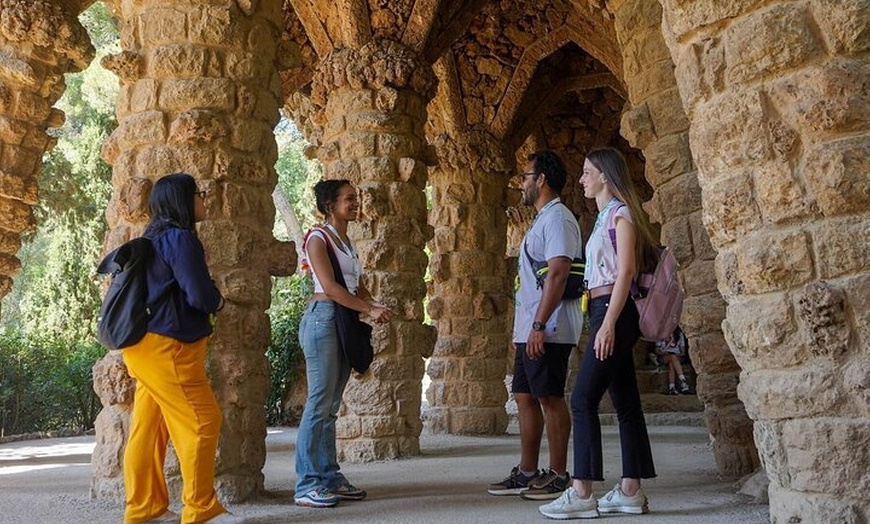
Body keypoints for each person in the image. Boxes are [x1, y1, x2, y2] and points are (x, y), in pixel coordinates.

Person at [540, 147, 657, 519]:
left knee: (582, 398)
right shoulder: (606, 215)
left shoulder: (621, 215)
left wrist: (607, 324)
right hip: (606, 310)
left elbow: (625, 272)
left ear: (606, 175)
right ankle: (630, 491)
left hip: (614, 312)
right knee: (626, 403)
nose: (581, 179)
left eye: (587, 172)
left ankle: (582, 491)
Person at [122, 173, 235, 524]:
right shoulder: (179, 238)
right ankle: (201, 510)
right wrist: (218, 301)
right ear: (182, 201)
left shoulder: (152, 238)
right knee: (203, 420)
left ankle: (145, 510)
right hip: (168, 348)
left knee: (149, 427)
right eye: (199, 195)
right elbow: (199, 294)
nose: (205, 200)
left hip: (143, 347)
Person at [488, 151, 583, 501]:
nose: (522, 183)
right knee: (525, 395)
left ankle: (559, 475)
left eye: (526, 176)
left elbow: (558, 272)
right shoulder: (542, 219)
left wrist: (540, 324)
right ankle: (528, 471)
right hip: (530, 327)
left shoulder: (558, 218)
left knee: (550, 397)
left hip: (550, 327)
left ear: (541, 179)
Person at [294, 179, 393, 508]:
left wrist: (374, 305)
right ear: (329, 205)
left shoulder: (347, 241)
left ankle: (329, 476)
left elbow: (355, 285)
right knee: (319, 402)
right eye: (349, 199)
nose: (355, 203)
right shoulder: (317, 239)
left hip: (339, 319)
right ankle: (307, 482)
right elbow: (332, 288)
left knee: (331, 406)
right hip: (323, 317)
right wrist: (367, 309)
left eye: (356, 198)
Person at [655, 327, 690, 395]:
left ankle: (672, 387)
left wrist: (677, 354)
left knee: (672, 363)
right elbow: (657, 350)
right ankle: (683, 381)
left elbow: (683, 352)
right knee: (672, 357)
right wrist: (665, 352)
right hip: (664, 356)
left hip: (676, 357)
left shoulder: (679, 334)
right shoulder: (660, 334)